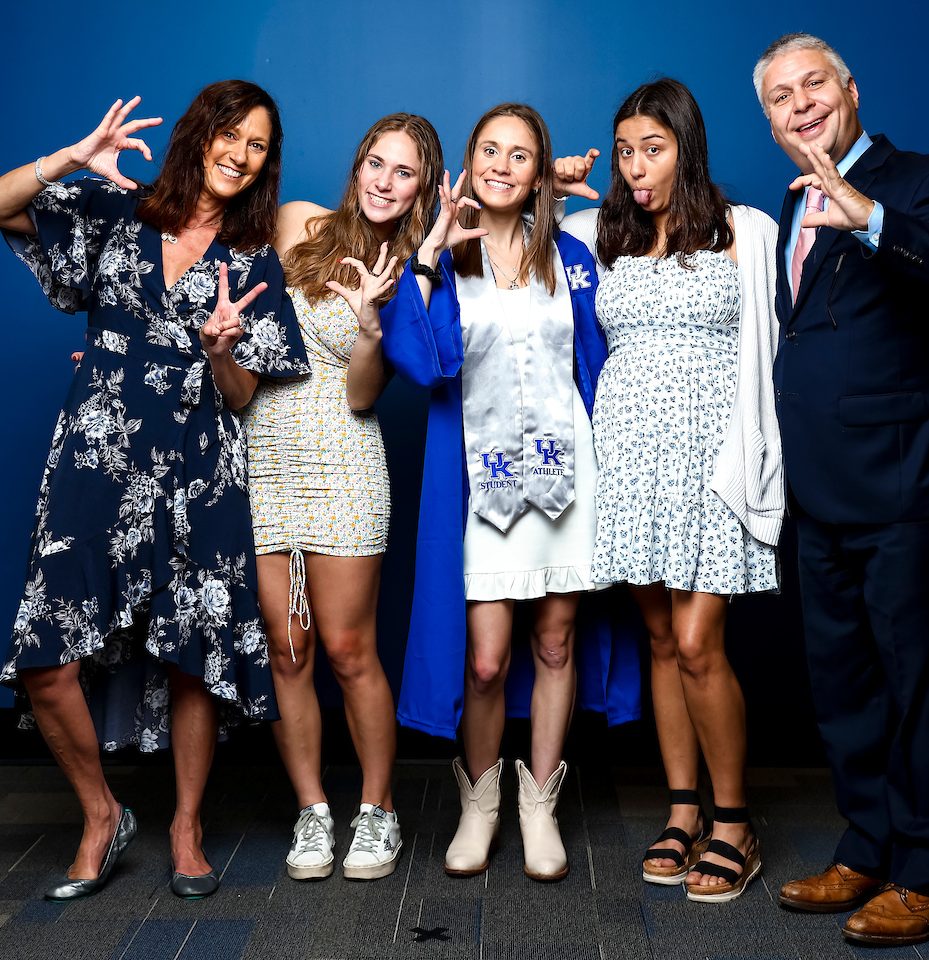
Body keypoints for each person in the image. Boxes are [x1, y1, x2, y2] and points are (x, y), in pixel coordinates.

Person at [0, 81, 308, 901]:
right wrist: (69, 159)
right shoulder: (115, 208)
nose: (240, 154)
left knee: (191, 654)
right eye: (230, 133)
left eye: (258, 145)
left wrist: (221, 350)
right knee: (47, 651)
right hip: (98, 452)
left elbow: (240, 397)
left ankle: (187, 827)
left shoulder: (252, 259)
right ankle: (102, 814)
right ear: (200, 133)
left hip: (198, 463)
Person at [753, 33, 929, 945]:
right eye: (781, 97)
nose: (801, 104)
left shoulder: (925, 180)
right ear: (771, 122)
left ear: (851, 90)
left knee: (921, 687)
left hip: (910, 491)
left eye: (814, 84)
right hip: (820, 495)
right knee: (846, 688)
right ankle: (868, 848)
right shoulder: (792, 202)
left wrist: (869, 216)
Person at [381, 102, 641, 882]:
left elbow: (599, 354)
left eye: (520, 155)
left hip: (568, 473)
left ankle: (539, 807)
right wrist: (430, 252)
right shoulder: (444, 257)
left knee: (556, 643)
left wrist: (558, 188)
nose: (501, 165)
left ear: (538, 173)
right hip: (484, 480)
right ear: (468, 163)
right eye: (489, 151)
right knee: (489, 661)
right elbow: (420, 362)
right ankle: (480, 804)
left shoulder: (572, 252)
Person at [555, 78, 783, 903]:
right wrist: (552, 184)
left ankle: (735, 821)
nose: (635, 166)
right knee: (659, 639)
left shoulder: (744, 230)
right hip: (630, 462)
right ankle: (684, 810)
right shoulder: (599, 233)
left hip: (713, 462)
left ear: (687, 147)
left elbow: (773, 349)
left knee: (695, 642)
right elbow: (501, 232)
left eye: (652, 148)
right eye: (624, 151)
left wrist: (763, 461)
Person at [241, 114, 442, 881]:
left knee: (350, 651)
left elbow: (362, 396)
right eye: (375, 163)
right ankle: (312, 810)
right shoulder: (299, 222)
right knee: (286, 648)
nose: (384, 182)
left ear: (421, 188)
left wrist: (368, 326)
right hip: (266, 458)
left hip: (344, 463)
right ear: (358, 165)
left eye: (404, 172)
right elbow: (214, 285)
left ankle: (377, 811)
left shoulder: (410, 275)